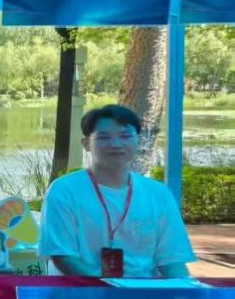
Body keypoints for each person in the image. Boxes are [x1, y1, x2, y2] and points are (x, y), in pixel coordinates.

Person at [39, 104, 194, 278]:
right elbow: (62, 256)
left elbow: (172, 260)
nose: (116, 144)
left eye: (125, 136)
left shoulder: (158, 194)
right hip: (79, 290)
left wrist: (189, 291)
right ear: (86, 144)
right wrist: (107, 288)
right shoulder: (64, 190)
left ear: (138, 141)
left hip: (142, 290)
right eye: (104, 137)